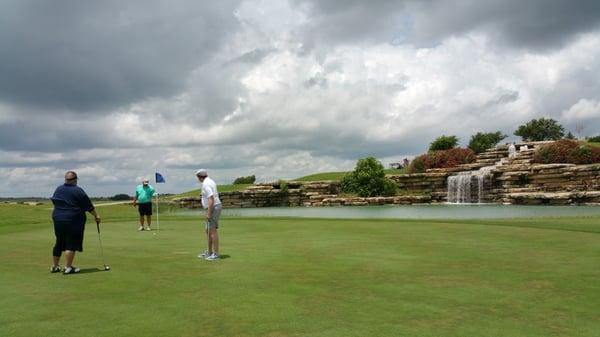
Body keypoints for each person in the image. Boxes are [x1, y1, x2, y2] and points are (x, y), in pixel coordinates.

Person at [50, 171, 101, 274]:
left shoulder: (58, 189)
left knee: (59, 242)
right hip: (73, 220)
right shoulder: (78, 190)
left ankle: (55, 266)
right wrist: (96, 215)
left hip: (58, 219)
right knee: (71, 243)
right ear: (75, 180)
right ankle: (68, 267)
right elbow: (89, 206)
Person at [196, 169, 222, 261]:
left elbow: (211, 198)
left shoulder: (206, 184)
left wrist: (209, 213)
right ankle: (209, 252)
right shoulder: (210, 181)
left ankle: (216, 254)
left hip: (213, 207)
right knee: (208, 230)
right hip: (213, 207)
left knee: (212, 231)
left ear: (199, 177)